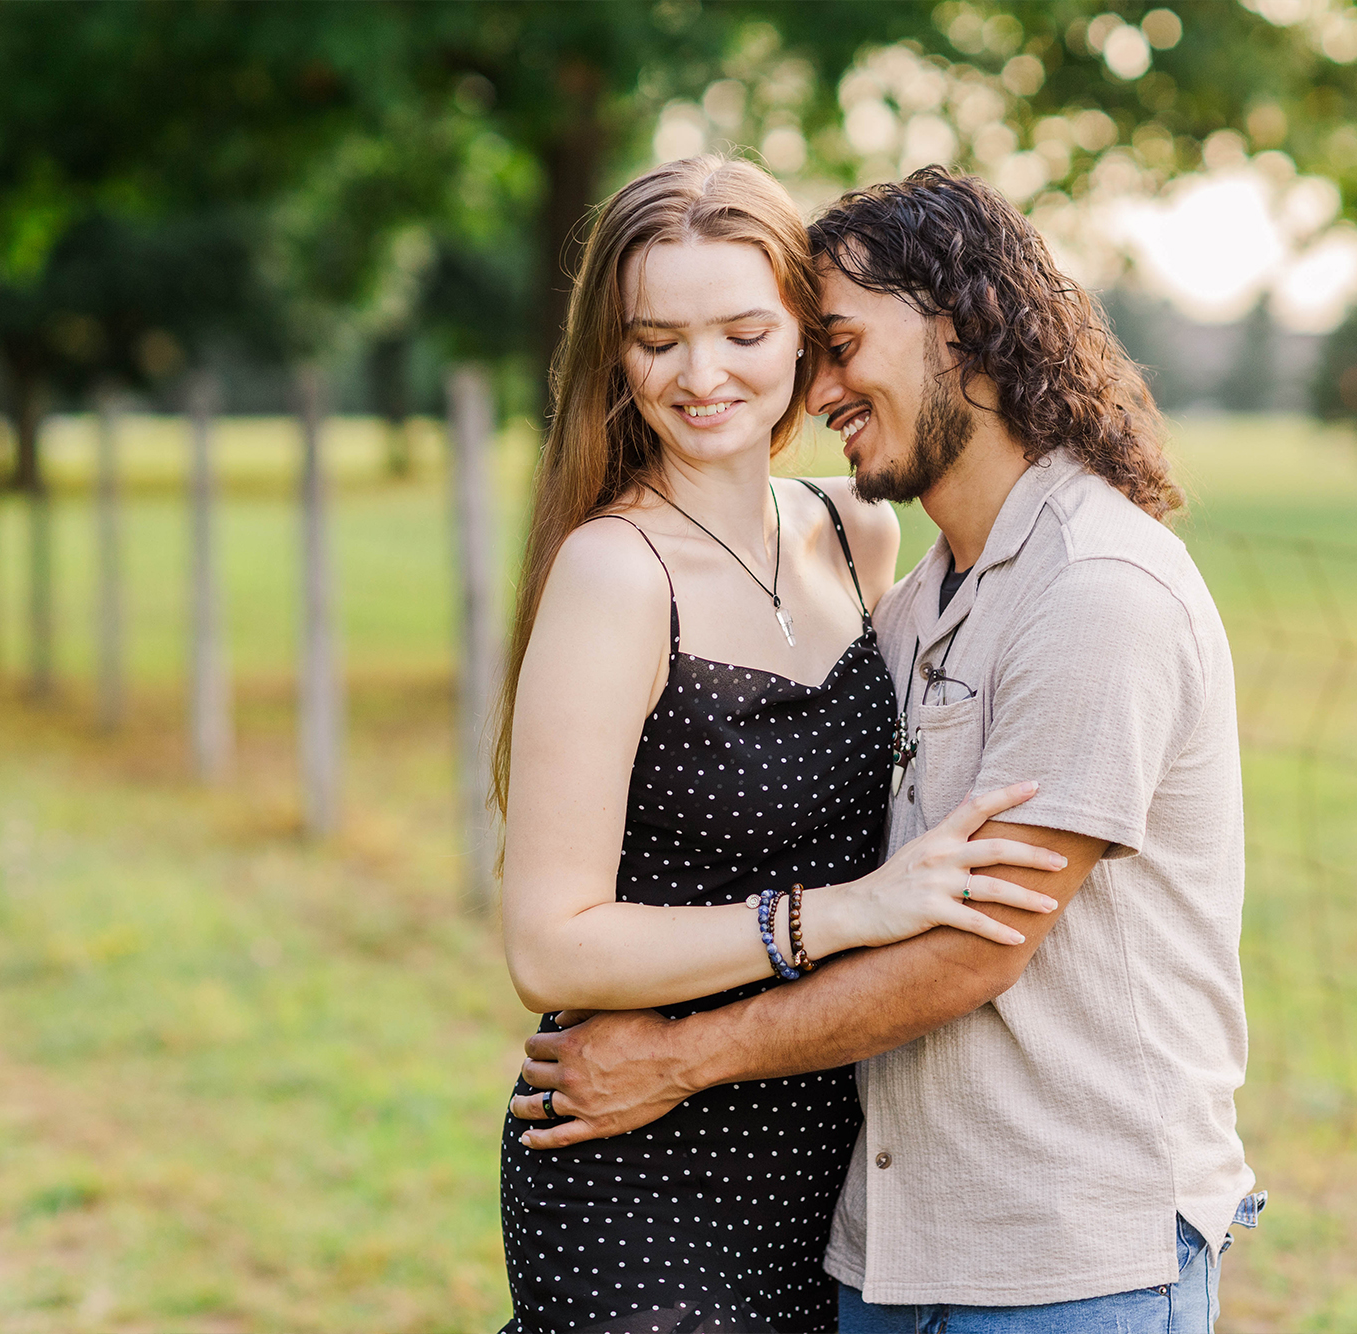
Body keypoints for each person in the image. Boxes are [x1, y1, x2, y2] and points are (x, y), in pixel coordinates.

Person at [511, 166, 1261, 1333]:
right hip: (752, 1193)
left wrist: (688, 1051)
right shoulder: (855, 583)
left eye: (781, 335)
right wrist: (830, 918)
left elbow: (970, 951)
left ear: (961, 330)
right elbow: (548, 937)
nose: (711, 375)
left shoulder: (943, 561)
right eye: (656, 339)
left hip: (1011, 1225)